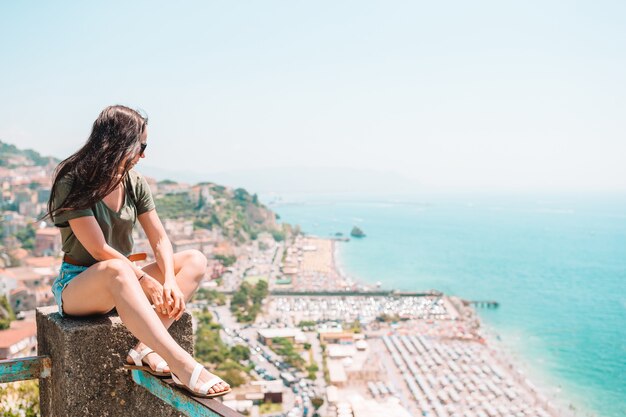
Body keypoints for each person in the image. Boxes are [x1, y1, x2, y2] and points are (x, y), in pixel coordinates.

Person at [46, 105, 230, 398]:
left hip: (124, 280)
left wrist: (169, 279)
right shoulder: (73, 180)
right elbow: (99, 248)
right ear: (119, 142)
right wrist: (145, 280)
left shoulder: (134, 181)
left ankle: (145, 348)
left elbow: (159, 238)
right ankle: (181, 363)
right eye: (140, 146)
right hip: (79, 285)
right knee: (118, 269)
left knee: (195, 259)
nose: (143, 155)